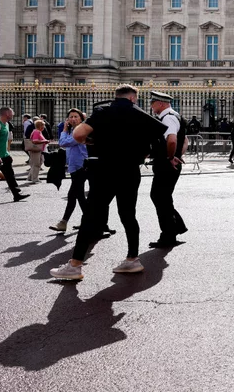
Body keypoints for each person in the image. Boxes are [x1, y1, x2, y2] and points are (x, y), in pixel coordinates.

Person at [49, 85, 166, 280]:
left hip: (106, 170)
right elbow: (152, 147)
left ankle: (76, 265)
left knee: (92, 215)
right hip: (130, 171)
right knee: (128, 215)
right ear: (132, 98)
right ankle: (132, 259)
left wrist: (93, 143)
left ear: (117, 96)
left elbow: (78, 135)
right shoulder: (142, 116)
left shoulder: (104, 111)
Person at [148, 91, 188, 248]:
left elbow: (172, 140)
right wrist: (178, 155)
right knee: (163, 197)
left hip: (166, 164)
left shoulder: (168, 118)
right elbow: (185, 140)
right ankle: (175, 227)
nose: (151, 106)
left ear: (160, 103)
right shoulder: (174, 116)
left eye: (153, 103)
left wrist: (171, 157)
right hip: (169, 163)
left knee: (159, 197)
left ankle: (168, 236)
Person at [49, 109, 89, 232]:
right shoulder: (74, 130)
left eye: (75, 116)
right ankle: (90, 222)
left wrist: (64, 130)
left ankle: (64, 222)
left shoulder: (81, 131)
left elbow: (63, 143)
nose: (72, 119)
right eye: (70, 117)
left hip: (81, 167)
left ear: (81, 118)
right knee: (79, 196)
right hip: (74, 166)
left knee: (73, 195)